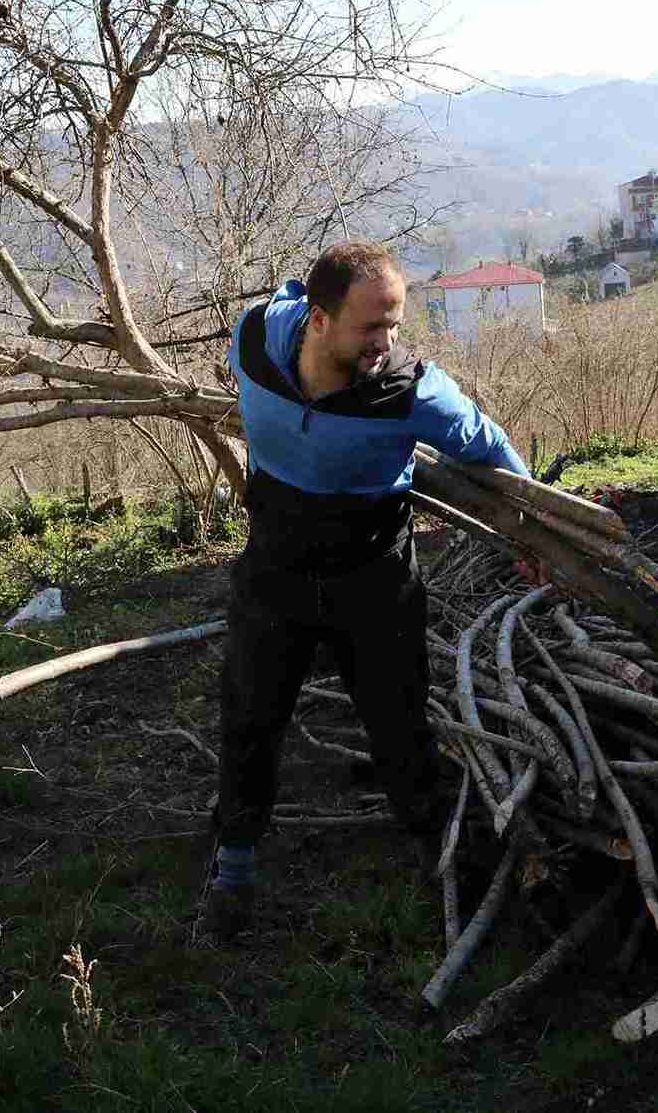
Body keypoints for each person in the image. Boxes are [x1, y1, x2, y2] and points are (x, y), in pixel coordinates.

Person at [197, 240, 531, 942]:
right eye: (370, 325)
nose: (386, 340)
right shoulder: (255, 339)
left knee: (400, 727)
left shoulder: (410, 391)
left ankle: (439, 858)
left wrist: (533, 531)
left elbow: (493, 449)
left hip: (372, 581)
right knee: (249, 719)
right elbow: (276, 301)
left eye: (395, 324)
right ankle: (232, 871)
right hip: (274, 575)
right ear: (318, 320)